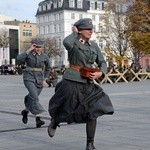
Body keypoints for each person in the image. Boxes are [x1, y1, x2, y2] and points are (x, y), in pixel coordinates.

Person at [47, 18, 114, 150]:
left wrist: (101, 73)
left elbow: (103, 62)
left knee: (93, 111)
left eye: (91, 29)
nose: (91, 31)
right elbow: (66, 42)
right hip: (72, 81)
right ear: (80, 30)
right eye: (88, 29)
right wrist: (74, 32)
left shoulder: (94, 45)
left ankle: (90, 144)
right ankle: (55, 121)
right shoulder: (74, 43)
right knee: (66, 108)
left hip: (87, 83)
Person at [17, 38, 51, 128]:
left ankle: (25, 111)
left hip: (40, 79)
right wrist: (29, 50)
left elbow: (48, 68)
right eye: (36, 46)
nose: (38, 48)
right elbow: (18, 58)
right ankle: (38, 118)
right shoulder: (28, 54)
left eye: (40, 47)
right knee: (35, 97)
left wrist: (45, 79)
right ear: (33, 46)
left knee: (32, 97)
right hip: (29, 77)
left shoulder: (45, 56)